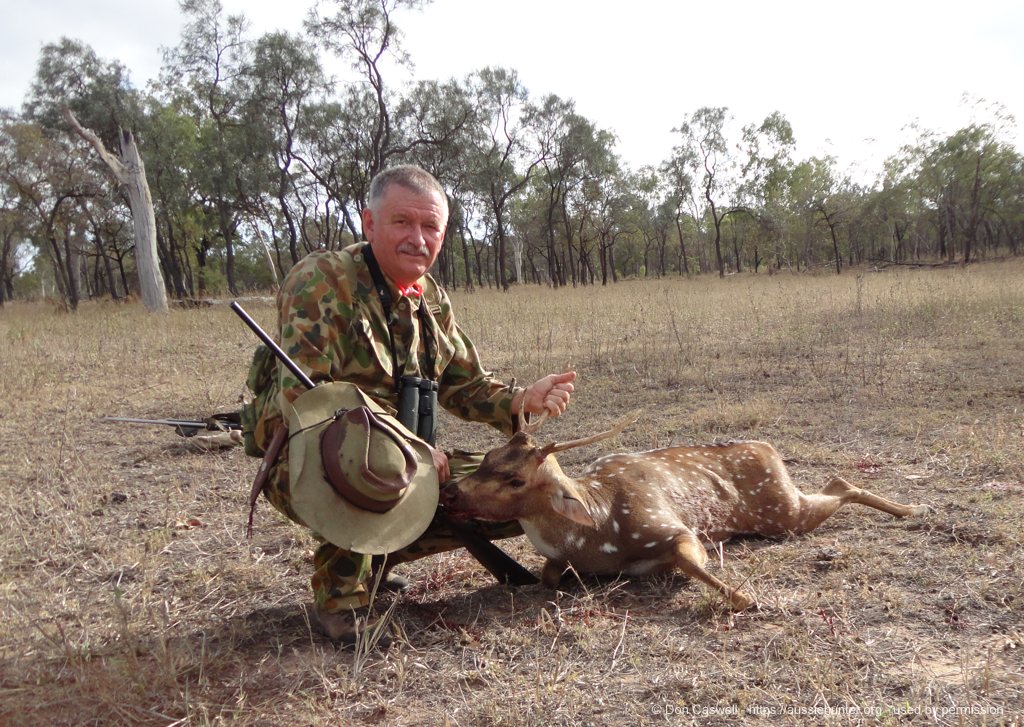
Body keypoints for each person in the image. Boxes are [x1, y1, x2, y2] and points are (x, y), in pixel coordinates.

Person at [242, 164, 576, 642]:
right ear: (370, 223)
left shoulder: (431, 299)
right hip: (311, 455)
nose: (417, 238)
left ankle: (378, 557)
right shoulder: (323, 280)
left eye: (430, 226)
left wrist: (522, 399)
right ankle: (342, 599)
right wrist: (412, 450)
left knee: (520, 490)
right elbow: (309, 400)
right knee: (370, 462)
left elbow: (466, 385)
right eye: (402, 222)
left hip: (400, 462)